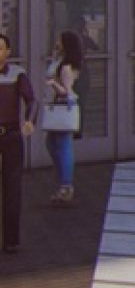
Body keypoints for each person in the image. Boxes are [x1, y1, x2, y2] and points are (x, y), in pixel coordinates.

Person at [0, 34, 36, 253]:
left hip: (11, 135)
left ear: (8, 52)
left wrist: (30, 120)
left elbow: (31, 100)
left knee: (12, 188)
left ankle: (11, 240)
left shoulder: (17, 74)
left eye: (0, 48)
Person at [44, 31, 83, 204]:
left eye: (60, 40)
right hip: (57, 106)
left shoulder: (66, 67)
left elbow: (66, 92)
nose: (56, 42)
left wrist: (53, 84)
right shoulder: (59, 60)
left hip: (63, 107)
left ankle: (66, 185)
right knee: (52, 143)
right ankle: (63, 181)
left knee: (62, 144)